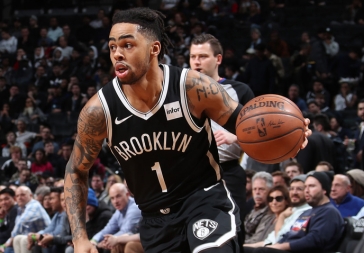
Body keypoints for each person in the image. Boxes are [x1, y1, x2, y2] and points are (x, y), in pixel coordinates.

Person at [63, 8, 311, 253]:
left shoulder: (192, 87)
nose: (117, 54)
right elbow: (76, 169)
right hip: (155, 220)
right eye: (112, 47)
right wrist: (80, 237)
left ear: (154, 48)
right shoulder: (99, 110)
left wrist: (289, 135)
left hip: (203, 202)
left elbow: (246, 126)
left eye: (128, 45)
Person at [189, 33, 255, 249]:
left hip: (227, 171)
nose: (196, 61)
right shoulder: (178, 92)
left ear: (218, 59)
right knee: (193, 231)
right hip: (191, 174)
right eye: (193, 56)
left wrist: (235, 136)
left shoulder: (240, 90)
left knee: (233, 228)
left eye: (203, 56)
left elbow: (259, 133)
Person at [243, 172, 344, 253]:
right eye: (306, 187)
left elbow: (313, 241)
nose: (307, 191)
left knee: (261, 251)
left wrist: (280, 247)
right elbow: (290, 234)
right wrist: (275, 245)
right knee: (242, 250)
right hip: (289, 249)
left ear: (324, 190)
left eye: (312, 186)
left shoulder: (329, 212)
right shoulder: (307, 212)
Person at [244, 175, 311, 248]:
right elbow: (268, 241)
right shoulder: (290, 211)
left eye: (299, 189)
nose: (294, 192)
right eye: (291, 189)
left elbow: (279, 239)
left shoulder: (307, 212)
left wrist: (282, 217)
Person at [90, 183, 141, 250]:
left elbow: (126, 231)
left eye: (118, 196)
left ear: (127, 195)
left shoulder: (134, 207)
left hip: (144, 241)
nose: (115, 201)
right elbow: (108, 229)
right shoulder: (119, 211)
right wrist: (94, 240)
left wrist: (108, 241)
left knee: (120, 245)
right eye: (112, 198)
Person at [14, 187, 65, 253]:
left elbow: (58, 233)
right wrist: (36, 234)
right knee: (18, 238)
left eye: (51, 199)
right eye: (17, 196)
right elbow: (49, 229)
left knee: (26, 240)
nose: (50, 202)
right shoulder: (57, 214)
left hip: (59, 242)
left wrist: (39, 236)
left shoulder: (34, 206)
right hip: (51, 238)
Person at [1, 186, 51, 253]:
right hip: (33, 238)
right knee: (17, 239)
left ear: (30, 195)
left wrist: (6, 244)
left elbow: (21, 223)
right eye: (17, 196)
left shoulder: (34, 205)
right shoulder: (20, 209)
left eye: (22, 195)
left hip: (45, 237)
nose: (19, 198)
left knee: (21, 240)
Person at [244, 172, 273, 244]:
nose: (257, 192)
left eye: (261, 189)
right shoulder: (253, 209)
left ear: (270, 190)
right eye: (254, 189)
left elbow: (257, 240)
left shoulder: (271, 212)